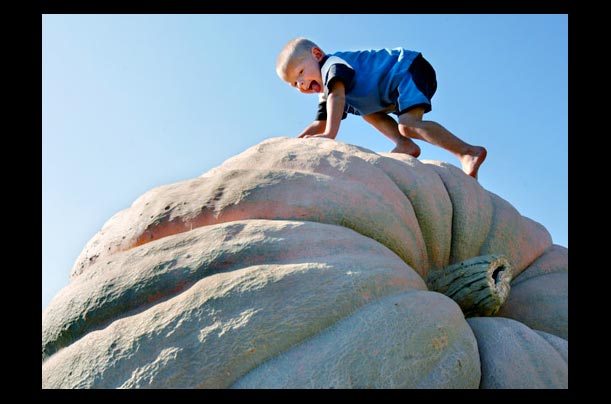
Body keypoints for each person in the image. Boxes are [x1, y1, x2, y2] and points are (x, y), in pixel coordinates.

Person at [276, 37, 487, 179]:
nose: (301, 84)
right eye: (295, 84)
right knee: (364, 111)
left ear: (317, 54)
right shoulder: (327, 91)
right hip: (386, 92)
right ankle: (404, 145)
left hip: (406, 69)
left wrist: (330, 134)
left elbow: (336, 97)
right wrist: (294, 143)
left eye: (301, 72)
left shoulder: (332, 65)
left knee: (409, 125)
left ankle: (468, 152)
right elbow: (319, 122)